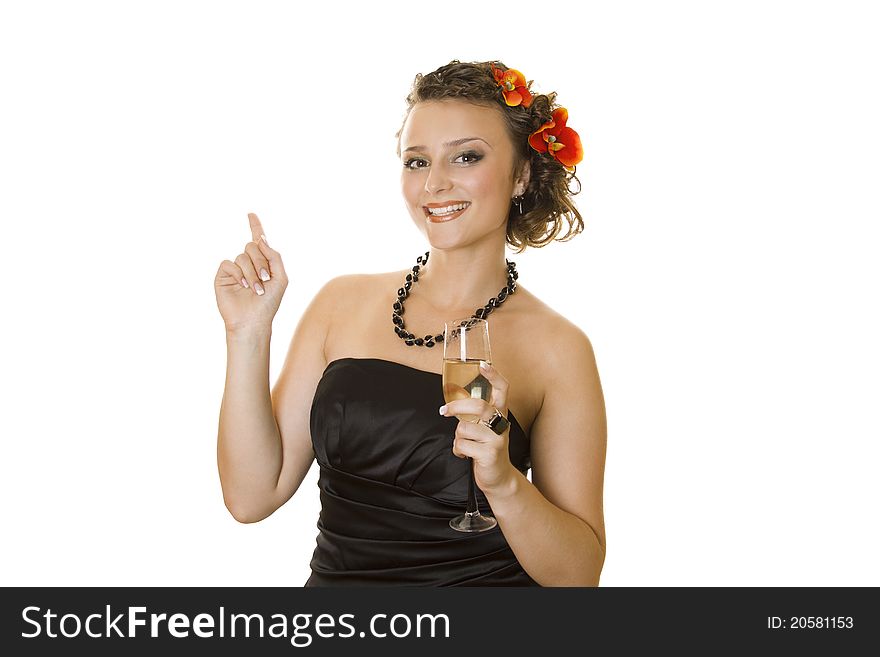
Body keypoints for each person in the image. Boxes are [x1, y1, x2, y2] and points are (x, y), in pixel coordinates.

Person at [214, 60, 607, 586]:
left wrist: (505, 484)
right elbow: (251, 496)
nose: (435, 184)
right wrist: (247, 334)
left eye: (466, 156)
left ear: (522, 175)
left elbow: (578, 576)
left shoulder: (559, 347)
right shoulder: (340, 303)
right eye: (417, 161)